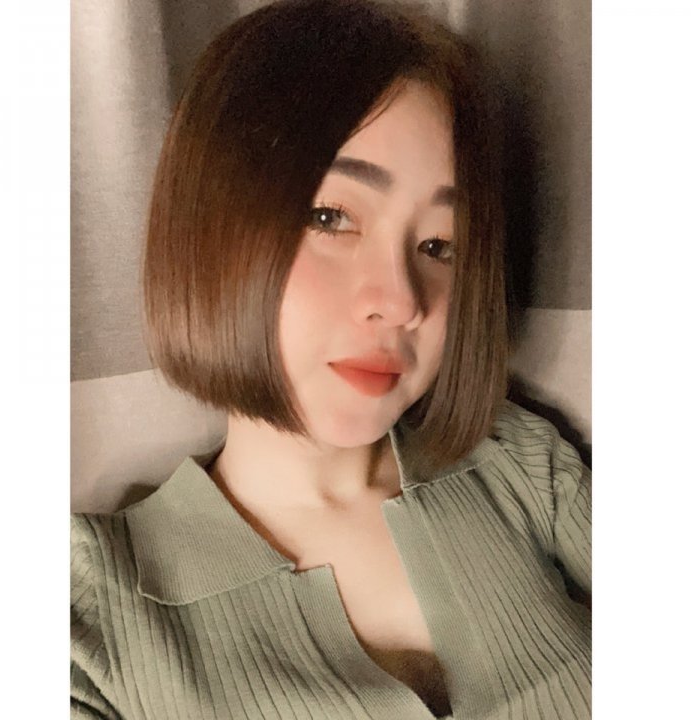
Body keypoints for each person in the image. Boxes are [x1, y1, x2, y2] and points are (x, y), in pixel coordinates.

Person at [70, 1, 591, 718]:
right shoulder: (88, 620)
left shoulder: (519, 464)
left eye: (438, 245)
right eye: (330, 217)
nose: (401, 301)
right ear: (210, 230)